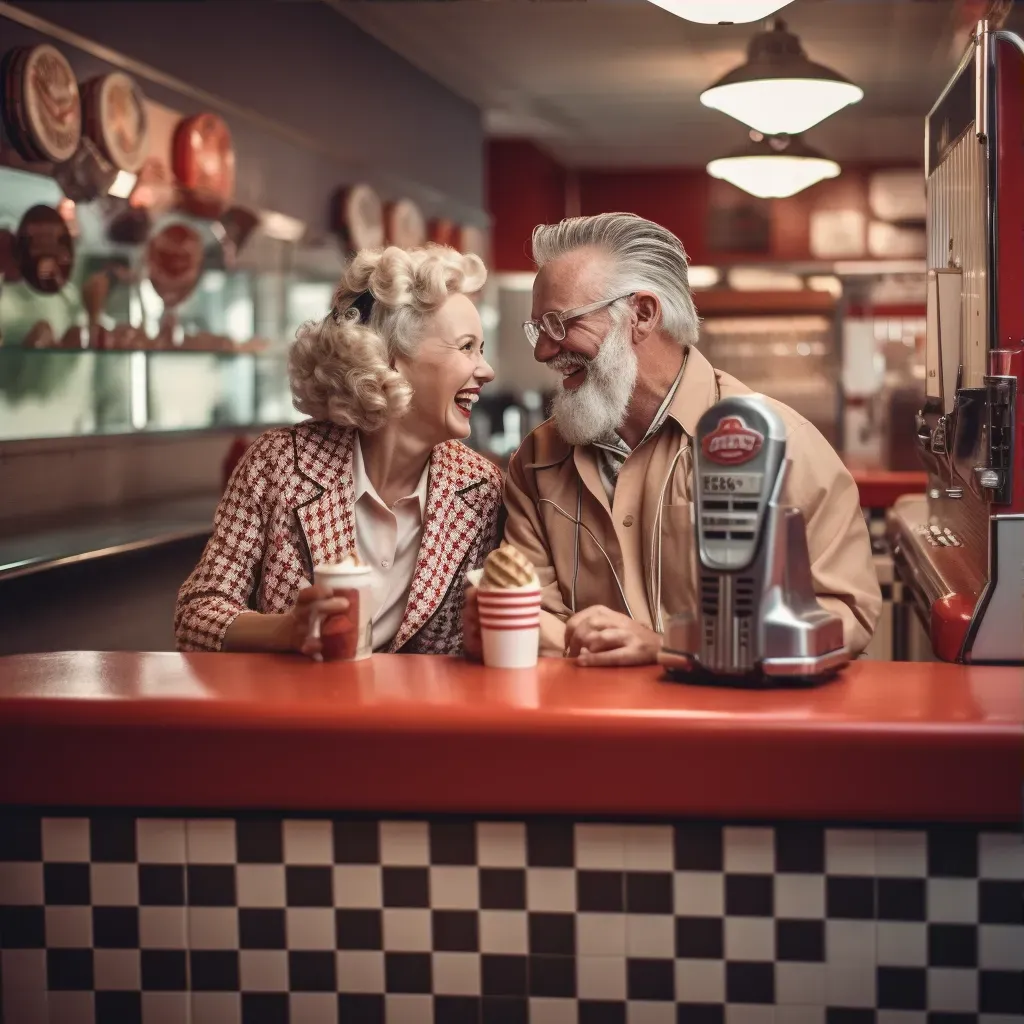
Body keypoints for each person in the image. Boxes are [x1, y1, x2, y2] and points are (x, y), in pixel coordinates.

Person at [464, 212, 881, 666]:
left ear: (642, 314)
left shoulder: (785, 445)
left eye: (560, 324)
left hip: (735, 731)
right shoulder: (539, 459)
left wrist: (669, 647)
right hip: (588, 731)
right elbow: (531, 616)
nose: (544, 351)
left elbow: (844, 617)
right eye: (538, 329)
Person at [175, 244, 502, 657]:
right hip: (296, 715)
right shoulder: (277, 464)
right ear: (392, 358)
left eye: (482, 349)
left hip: (419, 719)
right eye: (467, 346)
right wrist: (286, 631)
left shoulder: (481, 490)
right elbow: (195, 615)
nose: (487, 370)